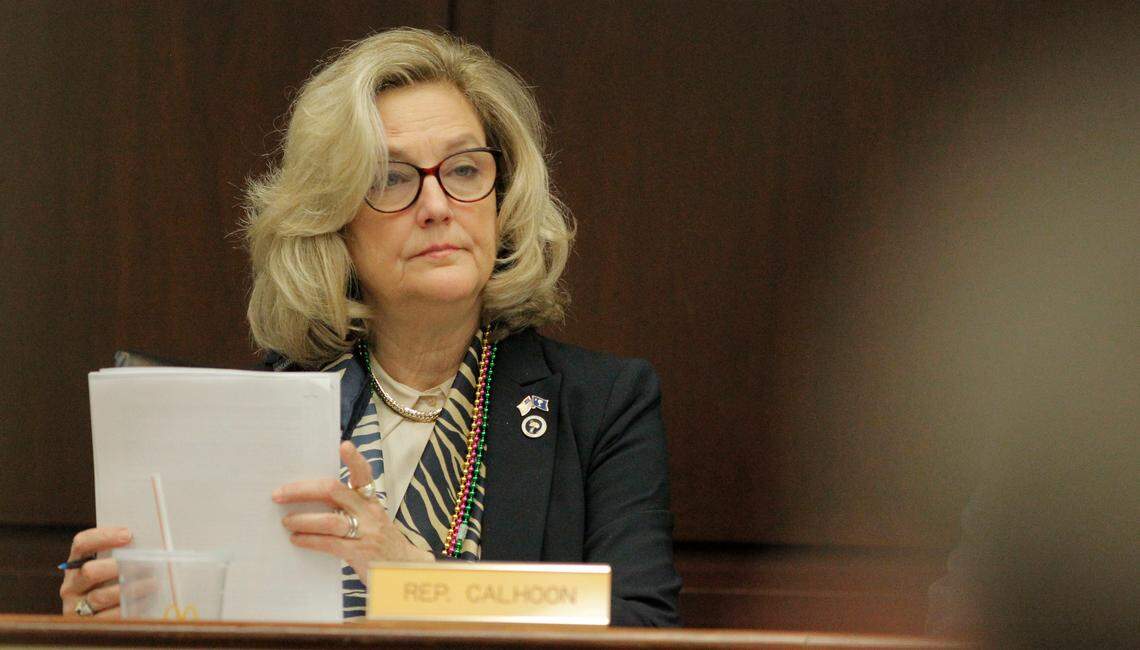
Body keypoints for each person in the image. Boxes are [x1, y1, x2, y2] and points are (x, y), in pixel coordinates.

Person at [59, 28, 681, 626]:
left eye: (465, 170)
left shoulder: (600, 405)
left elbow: (639, 629)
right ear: (334, 222)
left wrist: (413, 577)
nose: (437, 206)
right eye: (391, 178)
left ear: (503, 198)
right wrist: (104, 619)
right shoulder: (256, 417)